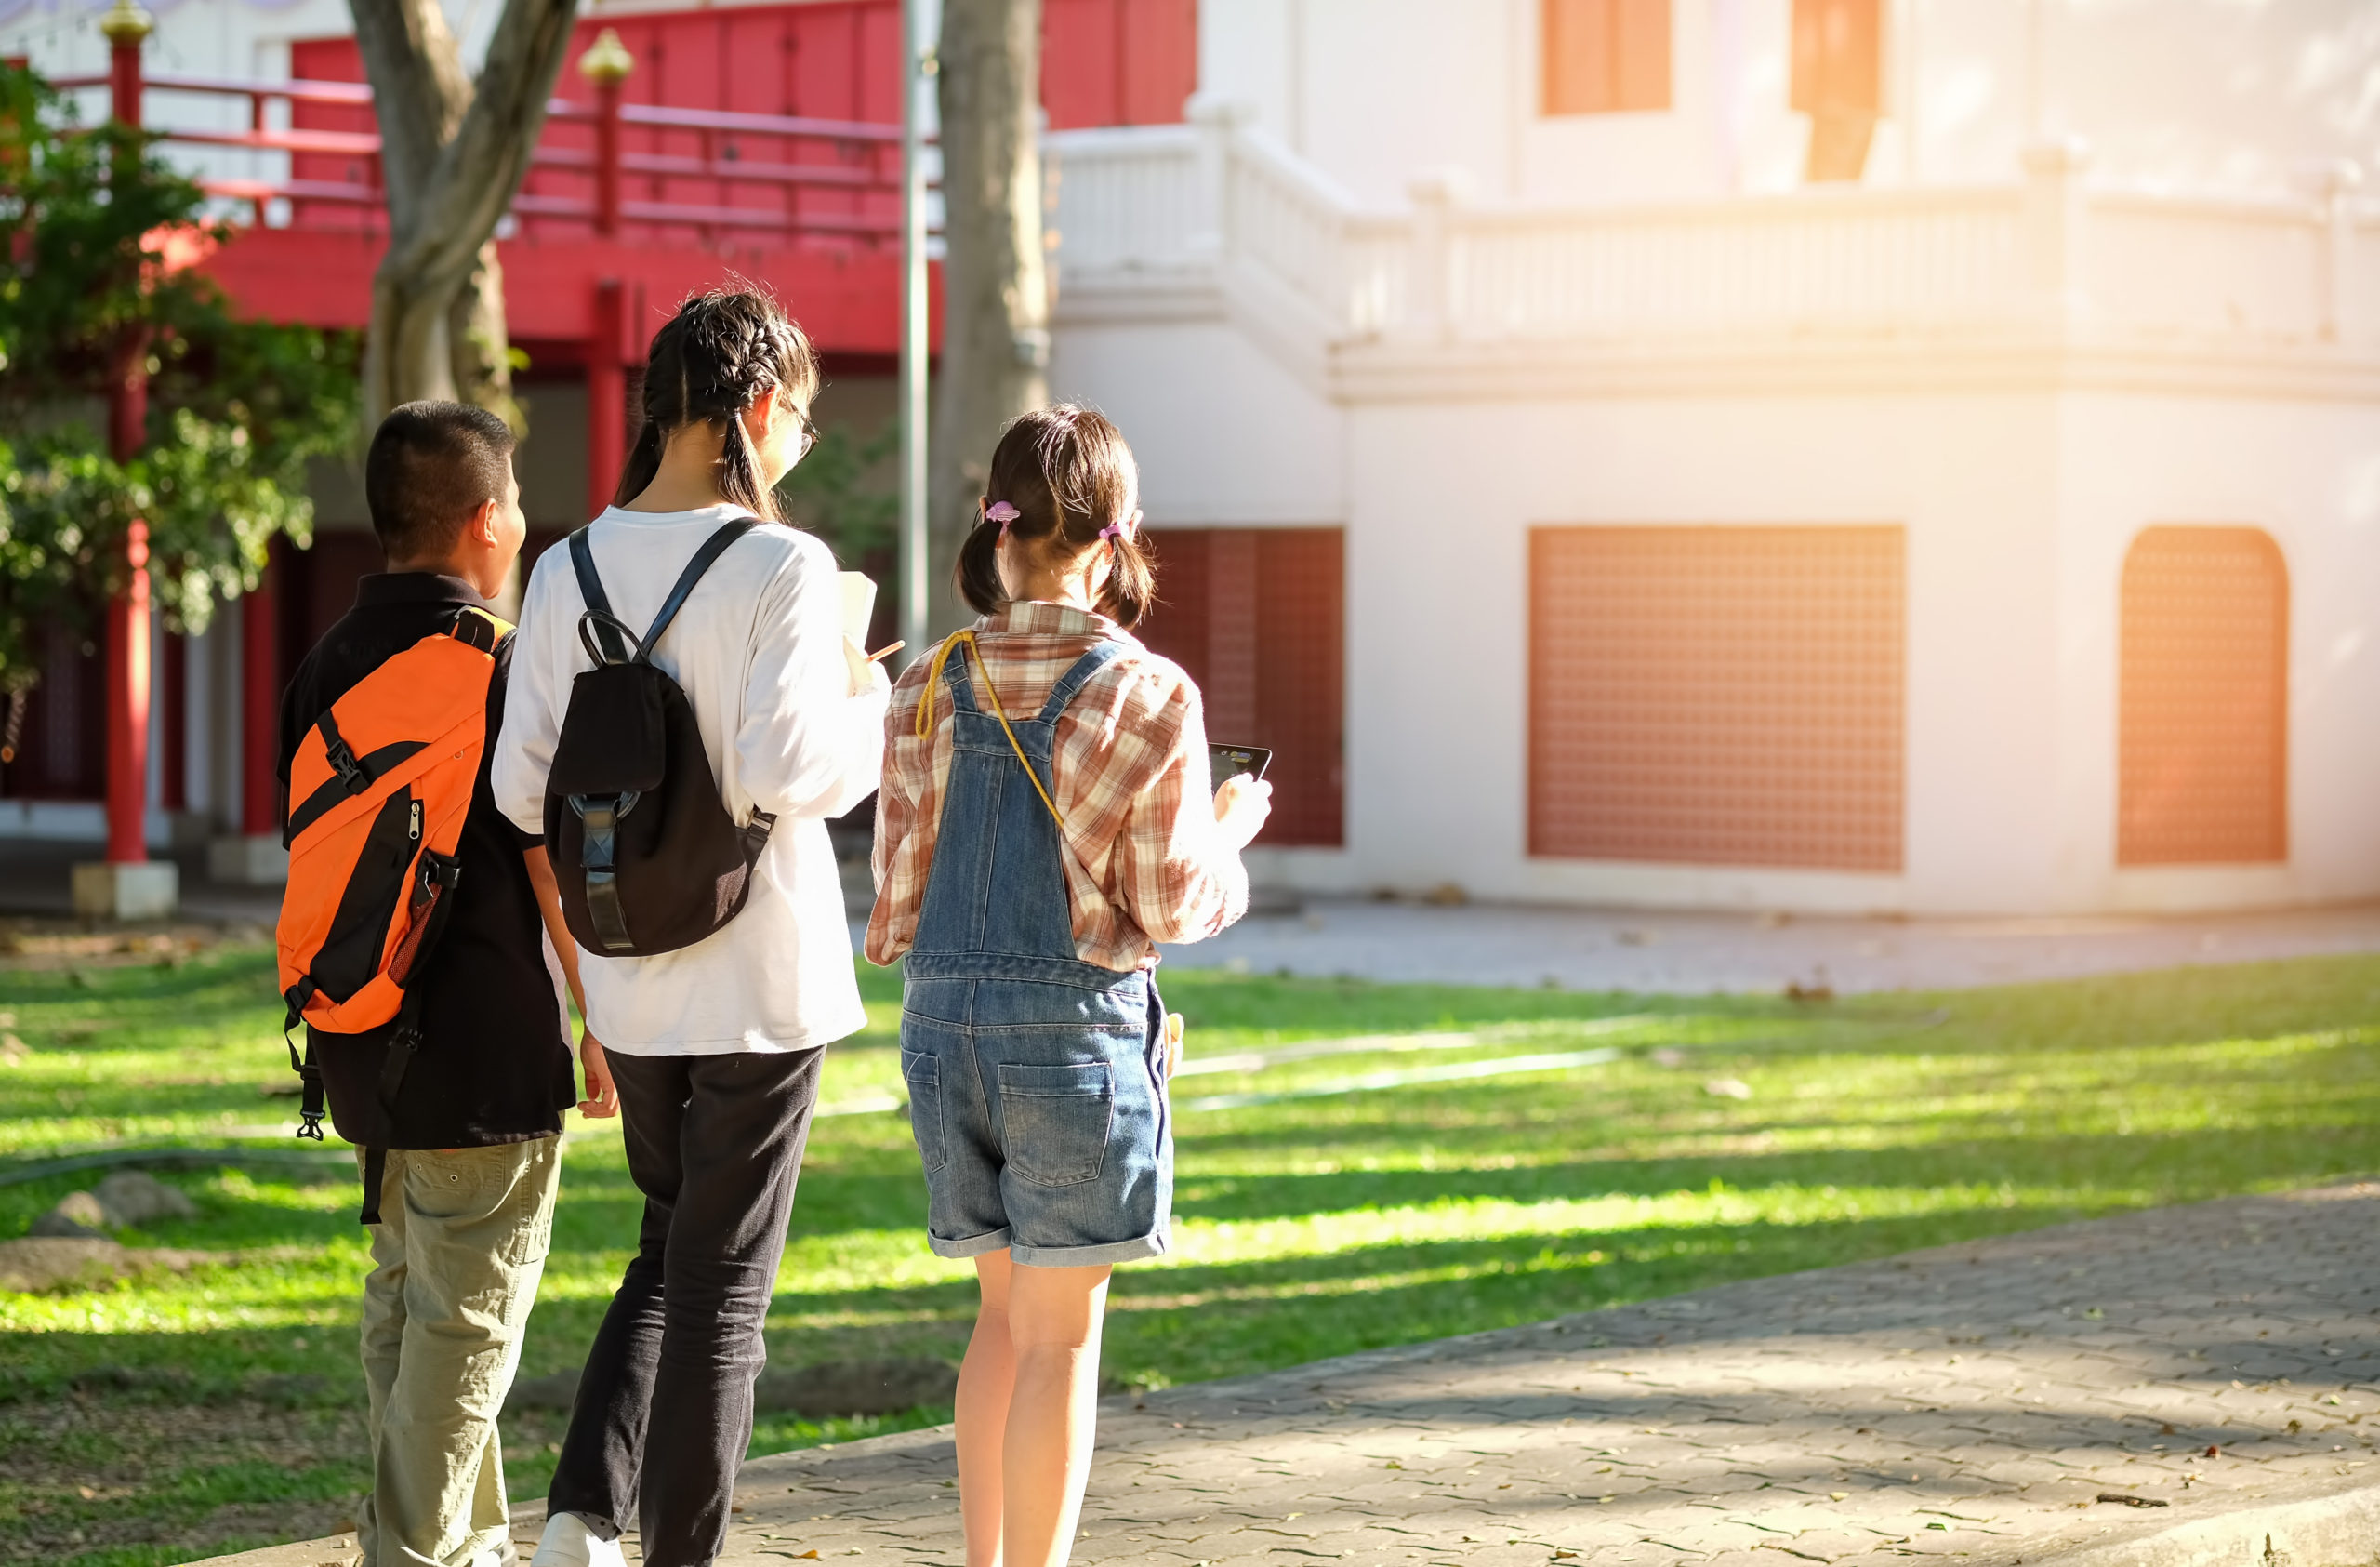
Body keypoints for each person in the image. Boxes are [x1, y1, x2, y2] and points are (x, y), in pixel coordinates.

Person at [495, 289, 890, 1567]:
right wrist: (868, 695)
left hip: (632, 983)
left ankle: (576, 1520)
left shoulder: (564, 569)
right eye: (804, 422)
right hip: (760, 984)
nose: (799, 445)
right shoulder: (782, 565)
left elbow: (516, 792)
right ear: (759, 406)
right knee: (725, 1297)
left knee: (671, 1249)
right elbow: (791, 769)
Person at [867, 405, 1271, 1567]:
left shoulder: (927, 681)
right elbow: (1178, 902)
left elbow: (894, 906)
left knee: (998, 1318)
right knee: (1060, 1339)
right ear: (1109, 539)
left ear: (996, 535)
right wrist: (1228, 828)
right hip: (1073, 1037)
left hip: (943, 1034)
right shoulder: (1150, 691)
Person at [274, 400, 615, 1567]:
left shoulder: (322, 666)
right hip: (484, 1058)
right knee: (464, 1331)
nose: (522, 517)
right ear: (485, 519)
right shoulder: (503, 664)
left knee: (408, 1311)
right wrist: (599, 1018)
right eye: (515, 497)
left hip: (358, 1041)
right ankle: (413, 1555)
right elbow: (550, 865)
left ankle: (458, 1548)